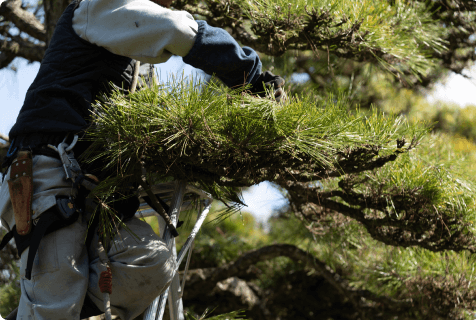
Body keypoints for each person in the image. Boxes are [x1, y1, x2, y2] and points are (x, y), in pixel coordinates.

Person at [0, 0, 285, 319]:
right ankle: (47, 304)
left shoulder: (136, 63)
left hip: (94, 191)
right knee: (56, 297)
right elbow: (177, 29)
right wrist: (251, 75)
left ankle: (39, 307)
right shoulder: (97, 7)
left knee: (149, 264)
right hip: (48, 171)